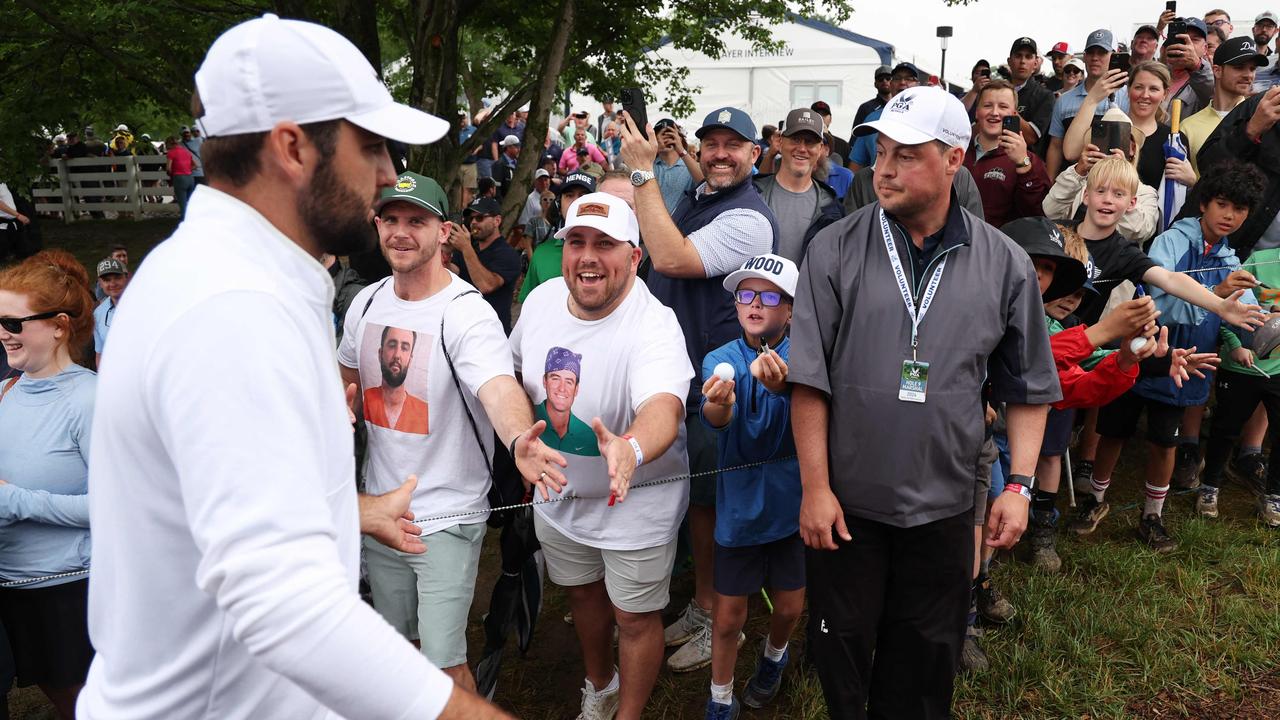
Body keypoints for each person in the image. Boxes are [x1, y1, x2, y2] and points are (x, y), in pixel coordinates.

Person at [78, 14, 511, 720]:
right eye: (370, 146)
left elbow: (218, 512)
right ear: (291, 147)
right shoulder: (233, 305)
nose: (388, 175)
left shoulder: (222, 276)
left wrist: (356, 511)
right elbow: (283, 603)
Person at [791, 85, 1060, 718]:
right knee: (842, 656)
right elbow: (808, 380)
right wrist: (814, 488)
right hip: (847, 503)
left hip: (946, 504)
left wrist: (1018, 486)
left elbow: (1026, 386)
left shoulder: (1005, 263)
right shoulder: (834, 247)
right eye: (881, 151)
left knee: (925, 659)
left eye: (906, 155)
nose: (883, 169)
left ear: (954, 159)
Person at [340, 171, 563, 691]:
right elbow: (347, 373)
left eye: (416, 221)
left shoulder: (467, 314)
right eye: (390, 219)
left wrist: (517, 438)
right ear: (376, 226)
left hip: (446, 514)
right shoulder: (366, 303)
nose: (400, 231)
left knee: (445, 667)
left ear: (443, 232)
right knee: (399, 655)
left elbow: (497, 387)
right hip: (379, 508)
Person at [510, 192, 692, 720]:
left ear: (636, 257)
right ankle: (600, 683)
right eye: (577, 242)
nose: (588, 256)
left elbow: (663, 405)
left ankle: (630, 713)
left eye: (606, 244)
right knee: (583, 595)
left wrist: (629, 448)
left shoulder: (654, 324)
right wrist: (524, 432)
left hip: (634, 509)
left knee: (634, 618)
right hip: (558, 499)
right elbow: (517, 373)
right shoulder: (543, 301)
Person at [618, 105, 778, 675]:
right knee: (698, 503)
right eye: (710, 143)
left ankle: (718, 615)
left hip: (718, 383)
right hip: (680, 373)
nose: (719, 154)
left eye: (733, 145)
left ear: (755, 154)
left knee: (716, 506)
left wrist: (640, 175)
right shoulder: (699, 197)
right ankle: (703, 599)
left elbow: (669, 257)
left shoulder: (750, 219)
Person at [1070, 162, 1266, 550]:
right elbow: (1157, 303)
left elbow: (1246, 315)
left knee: (1166, 440)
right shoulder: (1171, 242)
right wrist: (1219, 296)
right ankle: (1094, 499)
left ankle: (1152, 516)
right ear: (1204, 203)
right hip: (1143, 351)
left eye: (1240, 210)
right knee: (1115, 429)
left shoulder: (1230, 258)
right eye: (1222, 204)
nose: (1229, 216)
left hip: (1187, 363)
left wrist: (1255, 322)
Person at [699, 254, 805, 718]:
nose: (754, 303)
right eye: (746, 294)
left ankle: (773, 659)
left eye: (769, 296)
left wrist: (786, 390)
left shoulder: (806, 357)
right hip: (739, 509)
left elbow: (815, 416)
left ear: (790, 308)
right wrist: (718, 405)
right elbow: (716, 420)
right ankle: (720, 696)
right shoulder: (719, 360)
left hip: (792, 504)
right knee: (727, 617)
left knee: (788, 608)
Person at [0, 250, 98, 720]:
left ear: (59, 326)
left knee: (89, 707)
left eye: (13, 322)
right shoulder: (4, 391)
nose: (2, 332)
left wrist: (14, 501)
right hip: (12, 588)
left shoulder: (90, 399)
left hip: (72, 590)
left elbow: (114, 509)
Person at [1066, 62, 1194, 193]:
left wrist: (1192, 181)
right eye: (1139, 87)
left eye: (1153, 89)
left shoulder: (1173, 139)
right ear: (1128, 90)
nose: (1145, 95)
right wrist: (1092, 99)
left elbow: (1180, 195)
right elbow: (1070, 153)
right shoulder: (1108, 126)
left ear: (1165, 94)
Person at [753, 108, 844, 263]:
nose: (802, 148)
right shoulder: (752, 193)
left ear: (820, 148)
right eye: (795, 139)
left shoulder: (831, 206)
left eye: (810, 141)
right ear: (780, 143)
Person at [963, 79, 1051, 228]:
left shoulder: (1030, 161)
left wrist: (1024, 167)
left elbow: (1038, 215)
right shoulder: (958, 153)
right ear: (977, 112)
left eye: (1003, 106)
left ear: (1014, 114)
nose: (994, 113)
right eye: (987, 105)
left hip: (1000, 246)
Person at [1047, 29, 1131, 180]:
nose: (1095, 58)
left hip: (1116, 183)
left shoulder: (1129, 96)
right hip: (1074, 182)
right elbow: (1055, 146)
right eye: (1091, 53)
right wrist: (1050, 182)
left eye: (1102, 52)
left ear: (1114, 55)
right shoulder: (1064, 100)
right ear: (1084, 57)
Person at [1182, 38, 1266, 177]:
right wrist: (1193, 184)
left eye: (1252, 68)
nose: (1248, 75)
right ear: (1217, 71)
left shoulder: (1261, 119)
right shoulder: (1188, 127)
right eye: (1239, 67)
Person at [449, 196, 523, 333]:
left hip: (492, 333)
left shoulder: (508, 254)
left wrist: (466, 248)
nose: (474, 223)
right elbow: (450, 274)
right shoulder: (467, 248)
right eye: (471, 218)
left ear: (497, 221)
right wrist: (445, 253)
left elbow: (486, 285)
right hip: (462, 329)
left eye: (480, 218)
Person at [849, 63, 920, 171]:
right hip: (878, 185)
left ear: (918, 85)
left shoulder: (929, 118)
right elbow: (856, 164)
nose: (902, 82)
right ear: (891, 85)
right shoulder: (872, 118)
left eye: (909, 78)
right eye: (897, 78)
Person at [1005, 37, 1056, 158]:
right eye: (1018, 56)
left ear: (1035, 64)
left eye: (1028, 56)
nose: (1023, 61)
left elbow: (1031, 137)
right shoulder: (994, 91)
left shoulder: (1045, 96)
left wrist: (1006, 108)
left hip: (1027, 166)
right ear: (1009, 61)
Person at [1159, 17, 1214, 118]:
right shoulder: (1157, 75)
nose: (1188, 44)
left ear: (1205, 48)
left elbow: (1215, 97)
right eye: (1182, 38)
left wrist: (1196, 65)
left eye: (1194, 40)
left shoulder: (1211, 79)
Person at [653, 119, 703, 213]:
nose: (666, 139)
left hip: (682, 226)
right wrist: (654, 148)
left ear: (680, 138)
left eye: (672, 134)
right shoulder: (648, 165)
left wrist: (681, 149)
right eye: (662, 134)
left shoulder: (691, 167)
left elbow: (705, 182)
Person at [92, 257, 128, 367]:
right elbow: (100, 353)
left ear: (126, 277)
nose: (112, 283)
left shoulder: (143, 304)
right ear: (100, 284)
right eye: (107, 280)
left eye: (117, 277)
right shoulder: (98, 314)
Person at [809, 101, 850, 166]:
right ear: (809, 118)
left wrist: (826, 136)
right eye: (817, 115)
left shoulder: (843, 145)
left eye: (824, 115)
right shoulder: (803, 142)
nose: (821, 118)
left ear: (830, 119)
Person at [164, 135, 196, 218]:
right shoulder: (186, 151)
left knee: (183, 204)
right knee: (190, 202)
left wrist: (170, 175)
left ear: (169, 144)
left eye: (166, 144)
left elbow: (168, 169)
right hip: (190, 178)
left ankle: (185, 222)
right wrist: (186, 169)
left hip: (179, 179)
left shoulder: (171, 153)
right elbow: (194, 166)